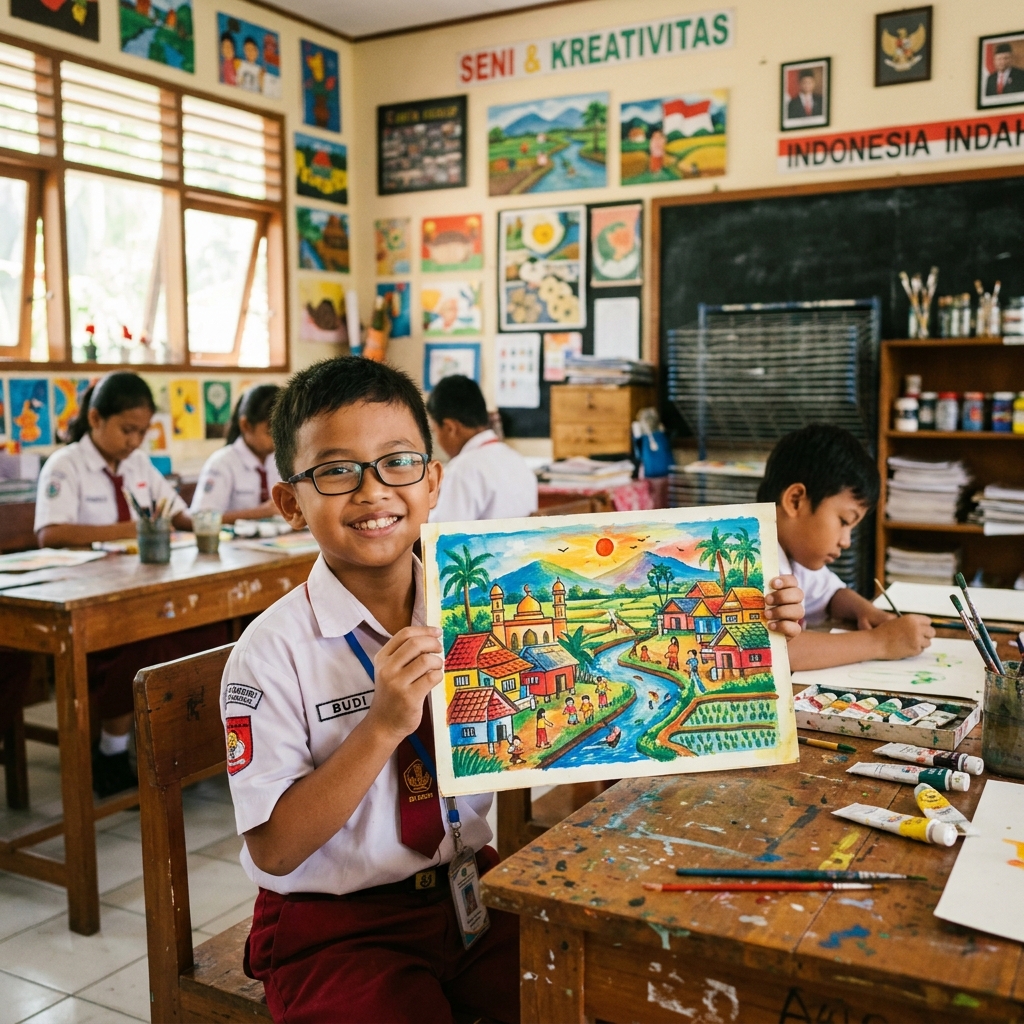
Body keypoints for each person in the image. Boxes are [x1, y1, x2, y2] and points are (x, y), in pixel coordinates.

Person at [219, 357, 518, 1024]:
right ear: (291, 502)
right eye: (335, 470)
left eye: (397, 462)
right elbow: (274, 849)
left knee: (585, 989)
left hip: (469, 892)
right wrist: (382, 725)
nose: (373, 490)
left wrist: (751, 624)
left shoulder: (479, 609)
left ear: (433, 481)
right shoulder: (270, 654)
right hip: (334, 927)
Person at [34, 372, 227, 796]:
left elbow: (177, 514)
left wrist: (219, 524)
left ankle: (184, 746)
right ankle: (111, 751)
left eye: (142, 431)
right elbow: (50, 534)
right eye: (127, 430)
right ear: (96, 417)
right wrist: (133, 528)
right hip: (89, 595)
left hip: (144, 586)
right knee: (145, 645)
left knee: (209, 633)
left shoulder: (139, 465)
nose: (135, 441)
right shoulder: (65, 465)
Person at [757, 424, 935, 671]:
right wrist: (880, 642)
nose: (846, 541)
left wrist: (867, 611)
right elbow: (776, 651)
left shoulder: (794, 553)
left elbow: (832, 595)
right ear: (796, 500)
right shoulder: (752, 560)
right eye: (844, 522)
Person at [426, 375, 537, 523]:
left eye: (435, 431)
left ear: (450, 428)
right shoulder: (516, 459)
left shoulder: (462, 470)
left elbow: (442, 536)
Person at [191, 384, 281, 523]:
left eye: (281, 433)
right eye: (269, 433)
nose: (277, 440)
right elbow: (202, 518)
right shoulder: (222, 463)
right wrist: (262, 512)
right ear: (245, 425)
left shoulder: (280, 460)